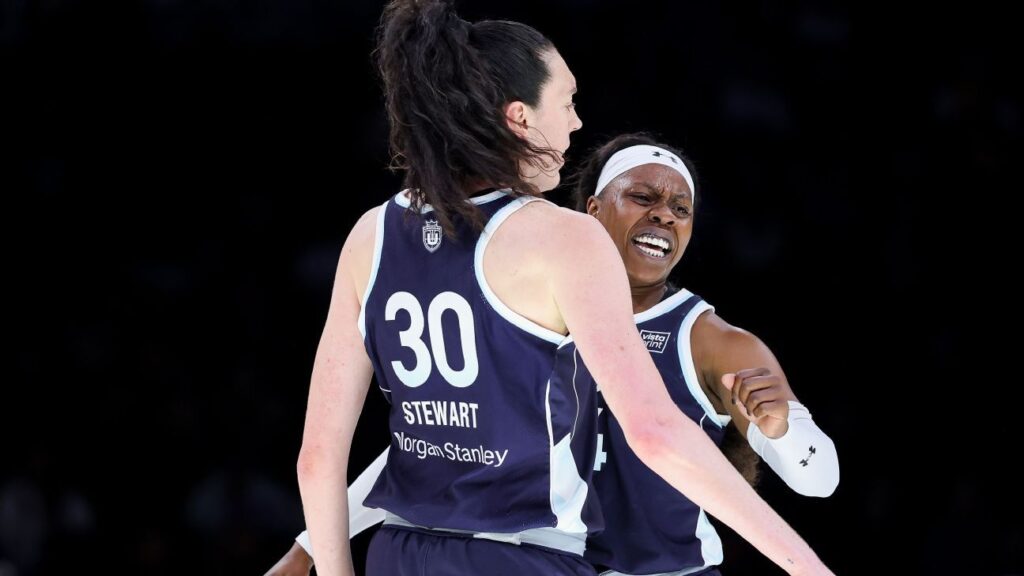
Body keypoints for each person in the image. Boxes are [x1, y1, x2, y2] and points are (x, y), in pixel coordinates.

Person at [296, 0, 834, 574]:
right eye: (568, 101)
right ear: (521, 117)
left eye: (681, 207)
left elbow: (323, 458)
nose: (577, 122)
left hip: (400, 553)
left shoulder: (370, 234)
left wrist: (319, 557)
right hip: (523, 557)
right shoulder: (561, 242)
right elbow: (654, 433)